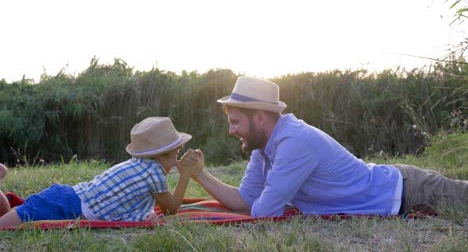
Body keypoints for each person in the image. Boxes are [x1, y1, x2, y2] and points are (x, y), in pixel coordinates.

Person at [183, 76, 468, 217]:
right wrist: (200, 174)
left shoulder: (293, 143)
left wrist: (262, 202)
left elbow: (263, 212)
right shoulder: (264, 147)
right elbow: (246, 200)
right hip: (399, 188)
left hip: (410, 191)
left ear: (259, 116)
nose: (231, 130)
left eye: (235, 122)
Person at [0, 117, 202, 228]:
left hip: (68, 197)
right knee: (7, 223)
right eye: (177, 152)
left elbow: (136, 202)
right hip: (69, 205)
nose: (179, 156)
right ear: (160, 156)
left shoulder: (139, 164)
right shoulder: (155, 174)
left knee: (11, 215)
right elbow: (171, 209)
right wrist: (185, 175)